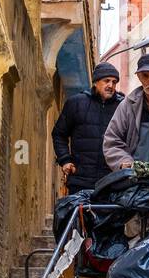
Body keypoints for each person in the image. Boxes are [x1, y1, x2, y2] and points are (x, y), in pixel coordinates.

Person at [51, 62, 123, 194]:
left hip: (112, 182)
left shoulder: (123, 106)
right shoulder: (76, 103)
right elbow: (59, 134)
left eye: (114, 82)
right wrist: (65, 160)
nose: (111, 86)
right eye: (106, 81)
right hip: (80, 181)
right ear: (96, 82)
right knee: (80, 215)